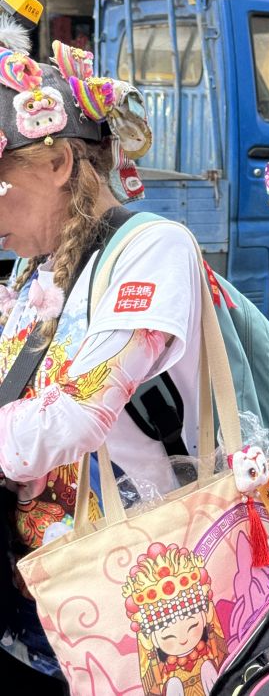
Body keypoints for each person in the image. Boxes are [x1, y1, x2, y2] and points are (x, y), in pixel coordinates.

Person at [0, 39, 204, 691]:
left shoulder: (152, 250)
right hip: (39, 597)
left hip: (136, 598)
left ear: (59, 162)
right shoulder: (32, 269)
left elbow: (82, 410)